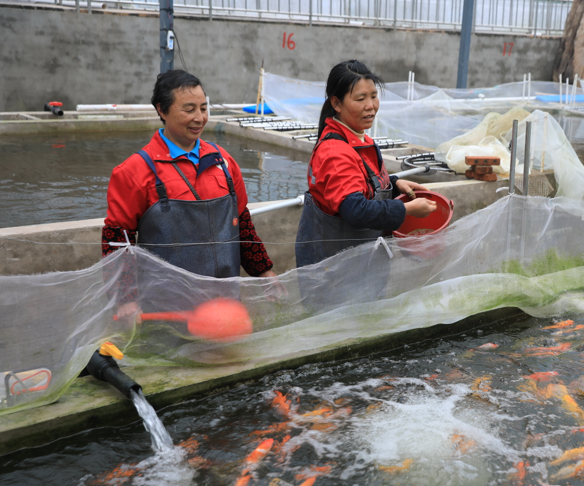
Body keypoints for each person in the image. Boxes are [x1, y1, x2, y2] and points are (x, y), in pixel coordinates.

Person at [102, 70, 279, 317]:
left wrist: (264, 271)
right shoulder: (134, 171)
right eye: (189, 109)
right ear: (162, 110)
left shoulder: (224, 162)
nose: (200, 118)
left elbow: (242, 225)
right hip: (166, 309)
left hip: (225, 306)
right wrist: (125, 299)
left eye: (204, 108)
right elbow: (117, 241)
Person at [295, 59, 436, 267]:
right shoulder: (334, 153)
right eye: (360, 99)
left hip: (363, 264)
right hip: (334, 272)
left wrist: (395, 184)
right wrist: (407, 209)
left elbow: (363, 182)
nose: (370, 106)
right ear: (336, 104)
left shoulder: (361, 140)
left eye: (373, 96)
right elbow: (356, 210)